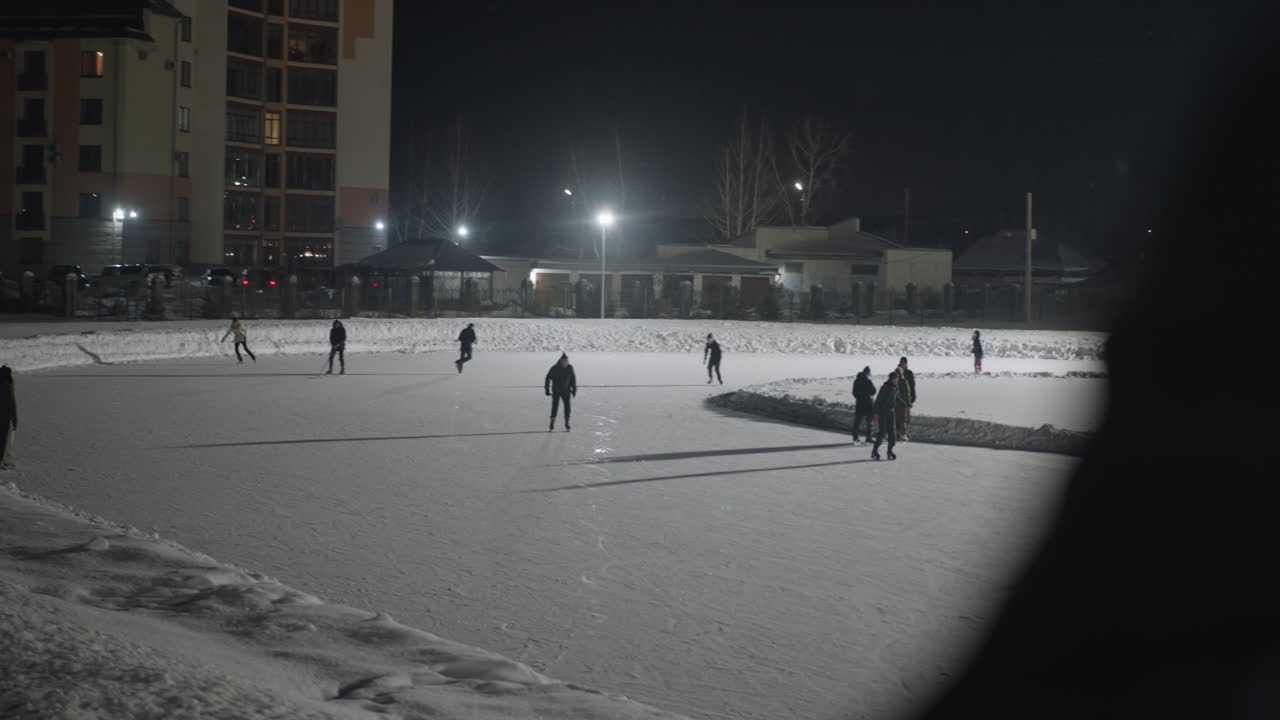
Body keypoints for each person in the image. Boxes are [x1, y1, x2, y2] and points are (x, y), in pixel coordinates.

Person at [544, 352, 577, 431]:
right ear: (560, 360)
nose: (565, 362)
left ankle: (567, 423)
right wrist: (547, 389)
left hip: (566, 391)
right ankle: (552, 423)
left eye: (566, 361)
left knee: (567, 407)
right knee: (555, 407)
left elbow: (573, 379)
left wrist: (574, 389)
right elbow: (548, 378)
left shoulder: (570, 367)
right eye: (563, 361)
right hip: (556, 391)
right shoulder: (555, 368)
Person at [871, 372, 898, 461]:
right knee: (882, 432)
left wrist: (907, 404)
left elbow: (897, 398)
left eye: (896, 379)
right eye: (894, 379)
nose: (896, 380)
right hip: (883, 413)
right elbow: (878, 401)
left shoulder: (895, 388)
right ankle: (874, 451)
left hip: (891, 413)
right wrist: (876, 413)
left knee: (892, 433)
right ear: (891, 379)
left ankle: (889, 451)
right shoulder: (885, 388)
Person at [851, 366, 876, 442]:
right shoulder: (868, 381)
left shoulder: (856, 381)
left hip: (859, 403)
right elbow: (874, 391)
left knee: (857, 421)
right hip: (868, 403)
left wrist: (859, 397)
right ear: (868, 373)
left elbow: (854, 392)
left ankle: (855, 437)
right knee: (869, 422)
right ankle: (869, 437)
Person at [895, 356, 916, 440]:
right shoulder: (896, 372)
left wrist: (912, 397)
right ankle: (900, 433)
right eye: (901, 362)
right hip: (898, 399)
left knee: (906, 418)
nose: (903, 364)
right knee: (899, 417)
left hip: (907, 399)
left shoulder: (909, 373)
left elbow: (911, 386)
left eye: (904, 363)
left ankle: (904, 433)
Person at [0, 366, 15, 470]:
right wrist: (14, 418)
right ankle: (5, 461)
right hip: (6, 416)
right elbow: (11, 403)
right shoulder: (7, 384)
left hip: (4, 415)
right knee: (6, 440)